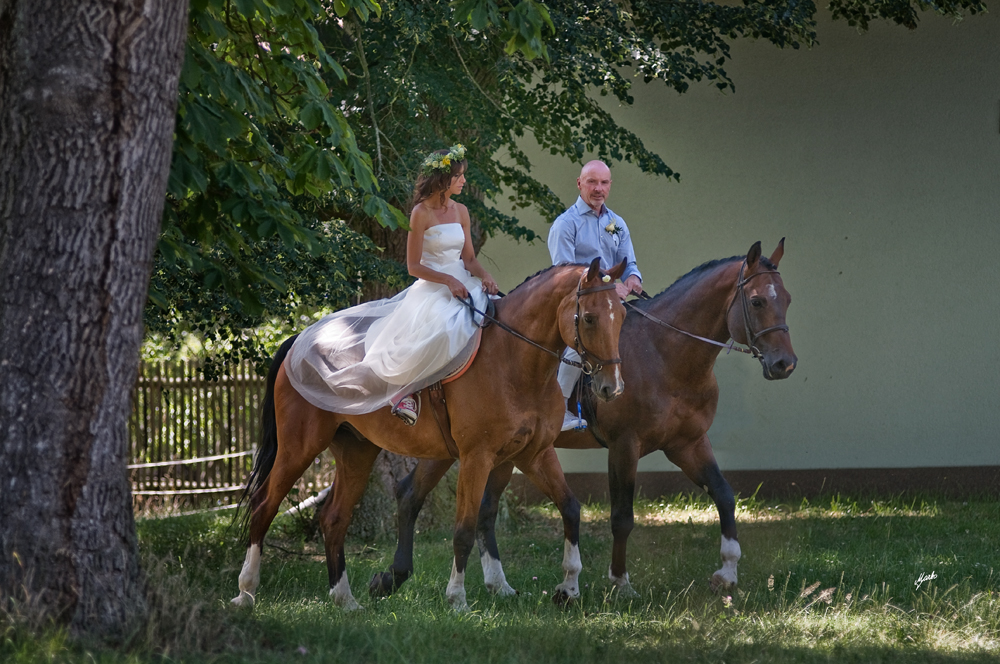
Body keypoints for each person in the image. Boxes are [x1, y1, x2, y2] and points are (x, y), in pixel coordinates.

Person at [284, 144, 499, 425]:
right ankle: (405, 394)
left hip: (463, 281)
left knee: (496, 320)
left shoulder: (462, 212)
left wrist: (485, 275)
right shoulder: (420, 213)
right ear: (442, 179)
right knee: (443, 331)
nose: (464, 181)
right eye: (459, 176)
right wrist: (447, 280)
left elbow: (469, 258)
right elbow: (414, 267)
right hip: (434, 286)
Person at [548, 160, 643, 430]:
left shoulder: (617, 223)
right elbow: (564, 275)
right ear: (579, 184)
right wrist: (611, 286)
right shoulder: (565, 225)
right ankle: (561, 405)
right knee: (579, 347)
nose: (598, 188)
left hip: (612, 303)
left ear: (610, 186)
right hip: (578, 303)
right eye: (592, 182)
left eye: (603, 183)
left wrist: (633, 279)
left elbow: (630, 264)